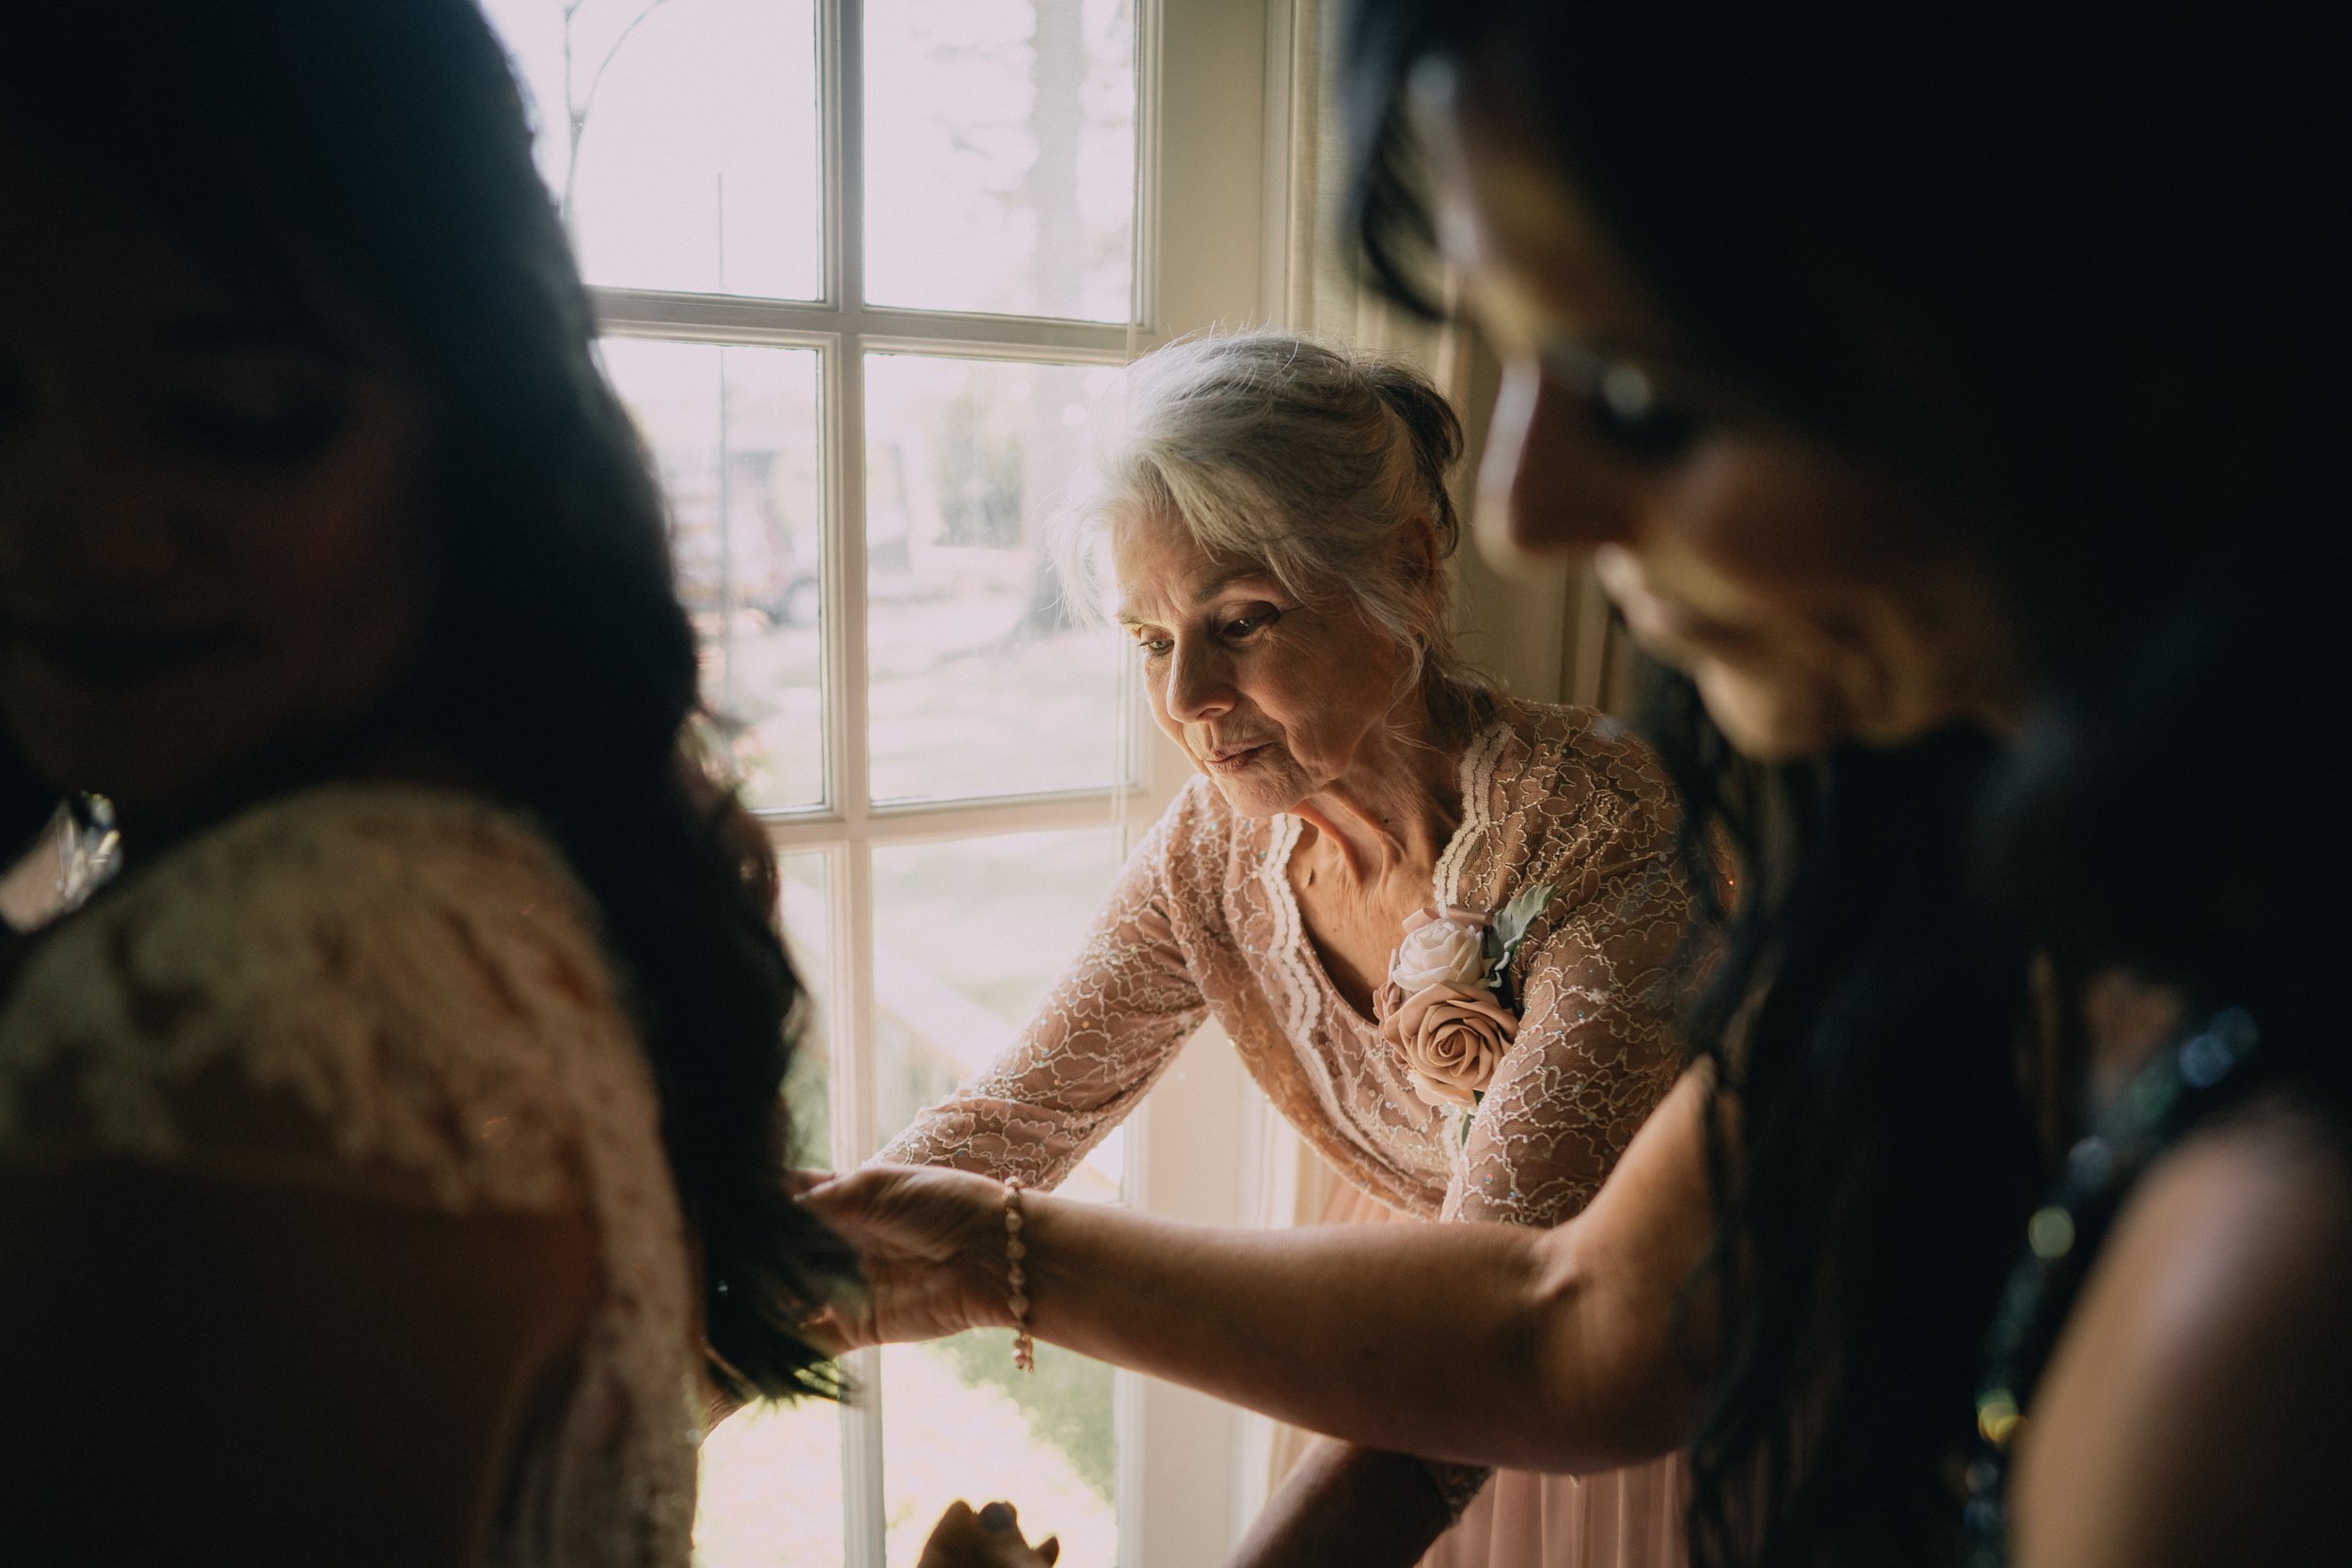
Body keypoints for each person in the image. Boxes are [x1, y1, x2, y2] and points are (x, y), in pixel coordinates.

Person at [804, 7, 2352, 1567]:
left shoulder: (2275, 1234)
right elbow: (1593, 1322)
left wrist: (991, 1261)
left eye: (1637, 382)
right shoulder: (1926, 870)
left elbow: (1552, 1323)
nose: (1525, 508)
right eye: (1152, 640)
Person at [0, 3, 857, 1560]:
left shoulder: (256, 1003)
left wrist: (1011, 1256)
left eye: (240, 418)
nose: (80, 532)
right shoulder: (490, 854)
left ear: (472, 435)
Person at [875, 329, 1697, 1568]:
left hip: (1586, 1393)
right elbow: (1008, 1123)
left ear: (1410, 573)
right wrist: (736, 1297)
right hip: (1376, 1356)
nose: (1185, 699)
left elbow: (1493, 1370)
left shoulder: (1607, 843)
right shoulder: (1213, 850)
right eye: (1152, 640)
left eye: (1240, 621)